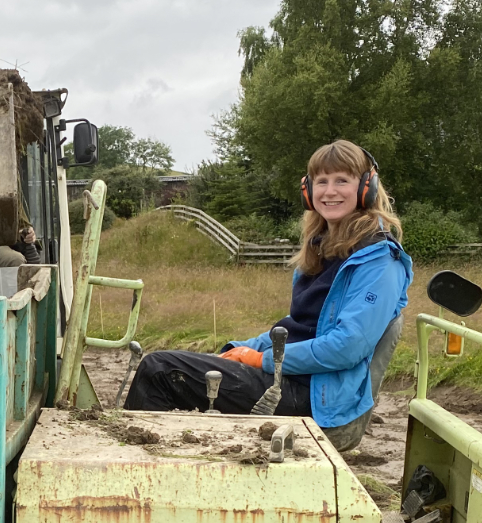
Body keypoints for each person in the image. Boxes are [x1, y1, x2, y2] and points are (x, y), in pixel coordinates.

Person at [123, 140, 412, 451]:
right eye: (322, 181)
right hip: (291, 380)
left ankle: (130, 469)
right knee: (185, 367)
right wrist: (238, 351)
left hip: (318, 400)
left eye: (342, 180)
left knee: (160, 371)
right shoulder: (321, 249)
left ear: (366, 188)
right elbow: (292, 330)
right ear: (308, 190)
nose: (330, 191)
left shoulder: (379, 261)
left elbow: (347, 347)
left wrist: (260, 360)